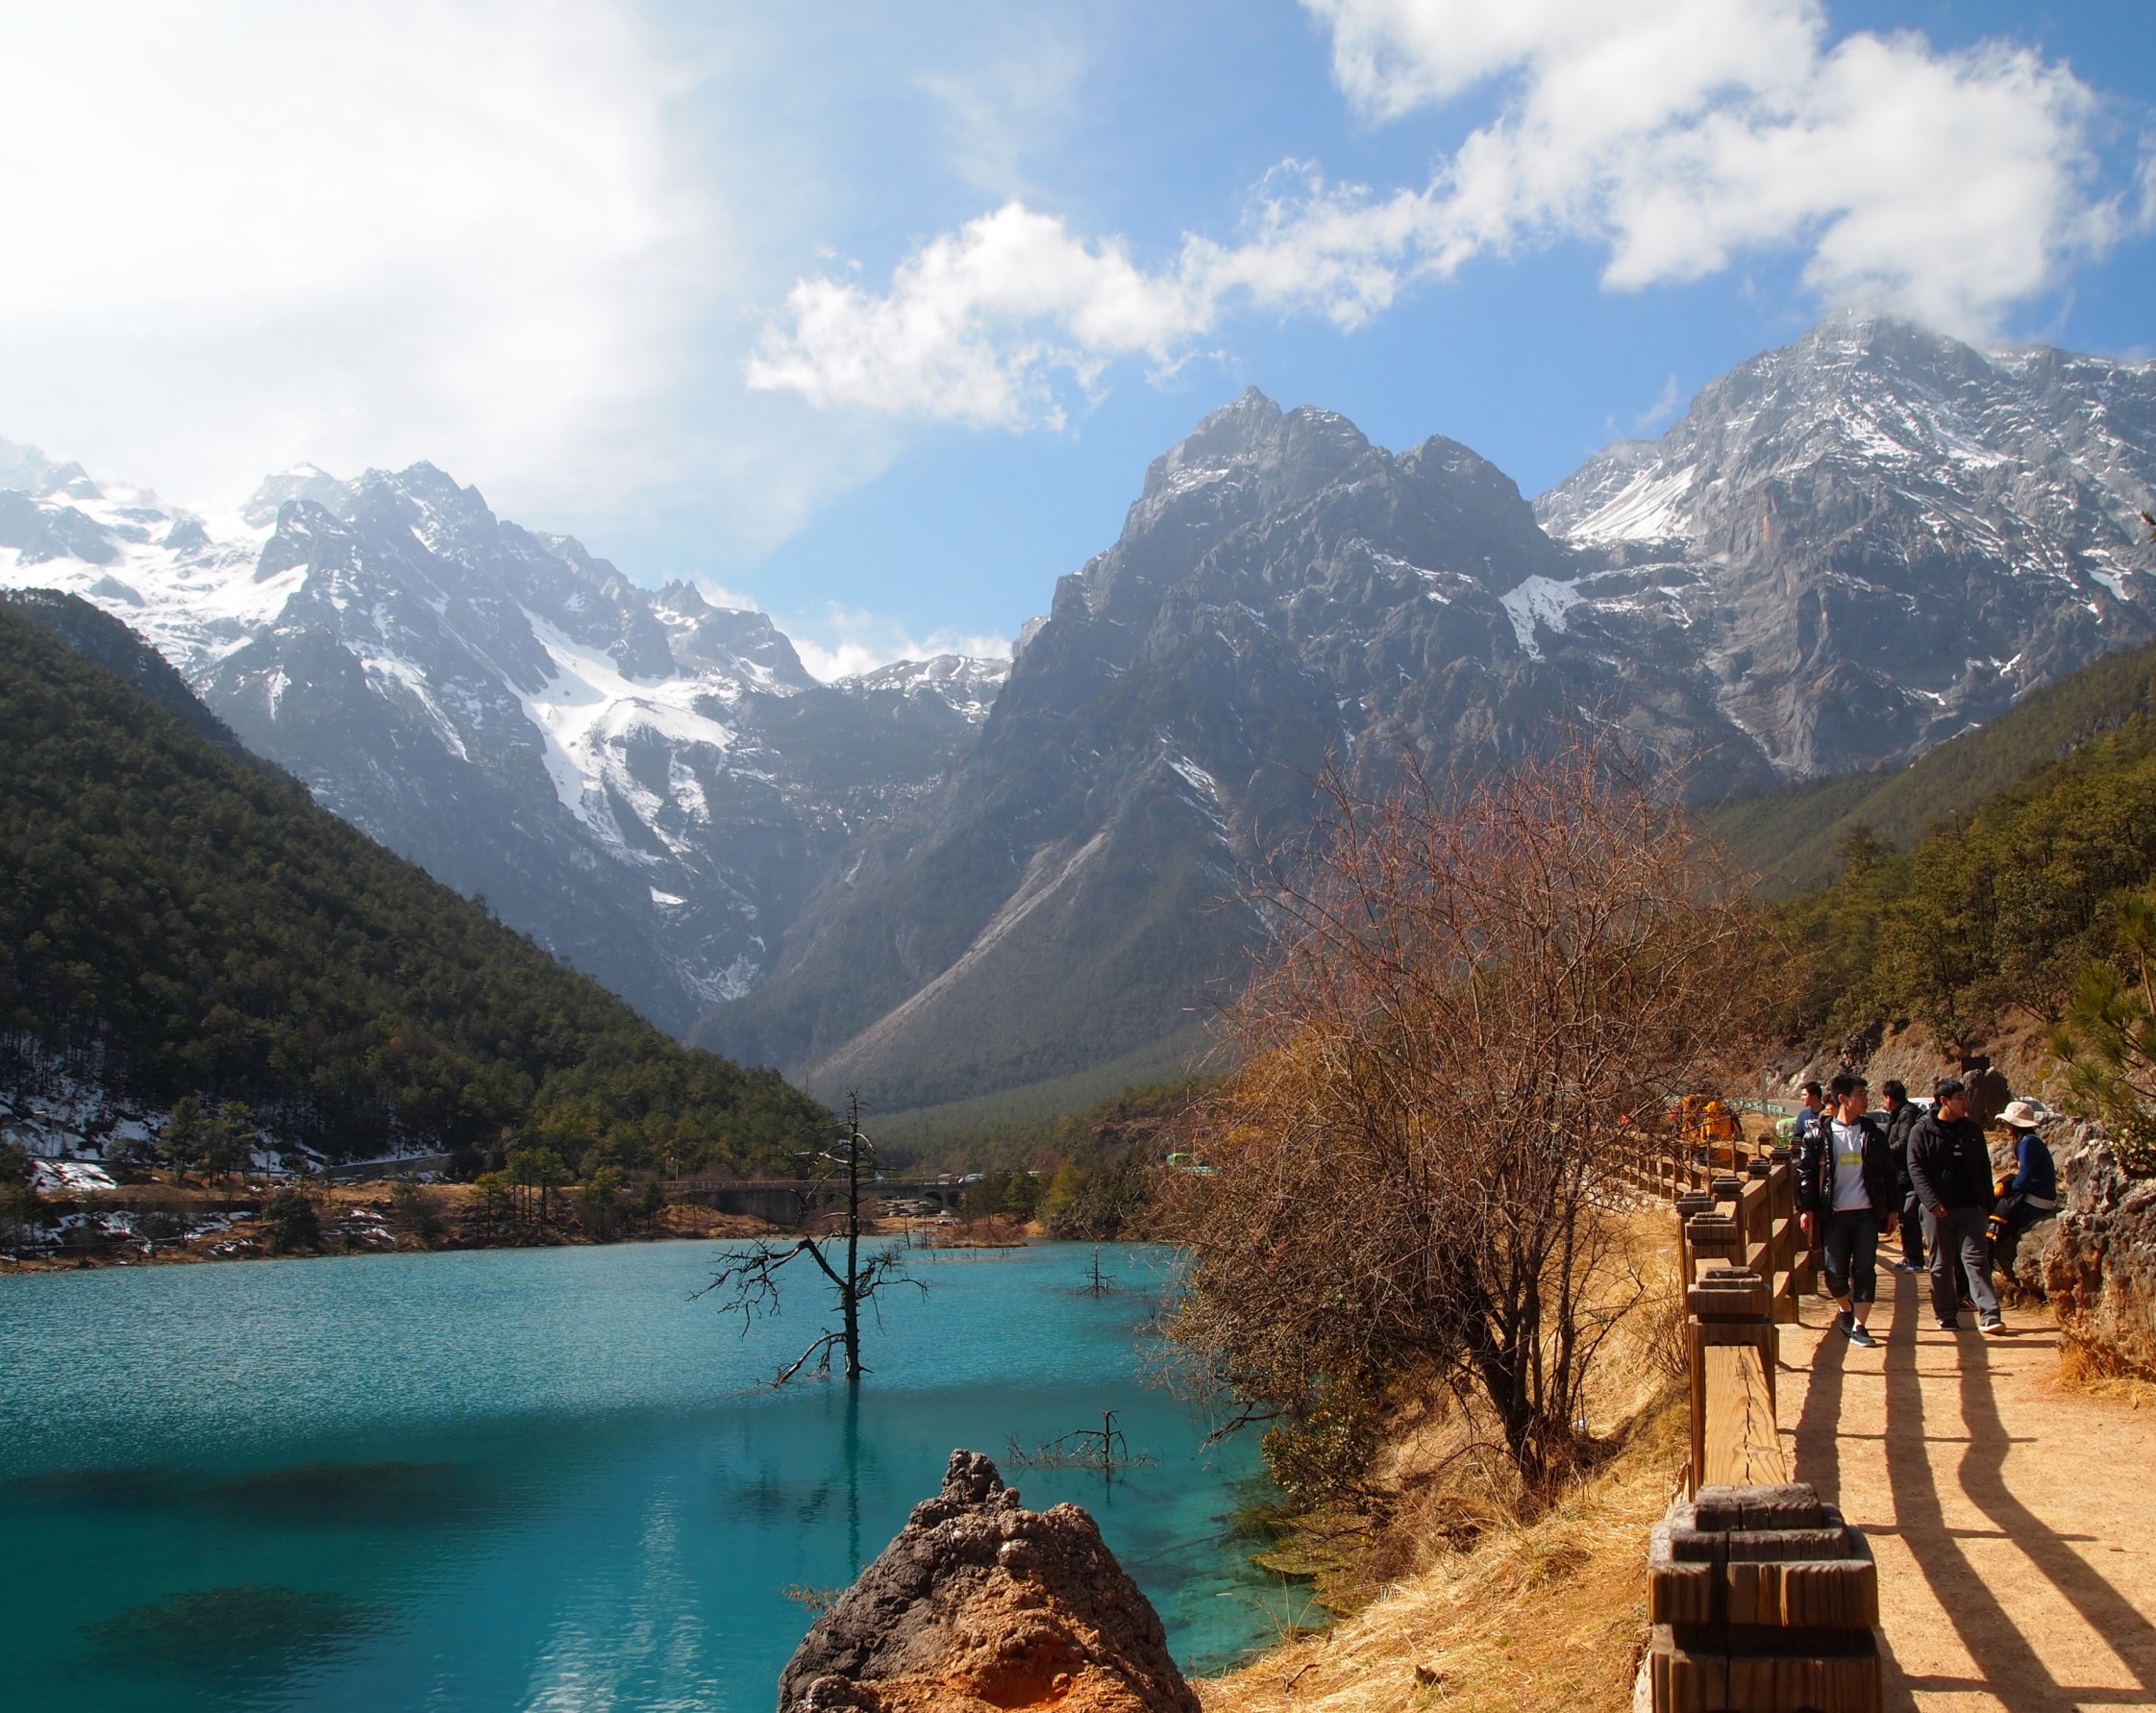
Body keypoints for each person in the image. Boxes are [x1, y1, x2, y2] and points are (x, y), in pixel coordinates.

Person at [1795, 1072, 1898, 1348]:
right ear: (1843, 1098)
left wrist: (1892, 1209)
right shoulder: (1818, 1135)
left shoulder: (1873, 1134)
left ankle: (1860, 1326)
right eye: (1860, 1095)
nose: (1866, 1100)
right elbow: (1805, 1173)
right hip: (1834, 1214)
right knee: (1834, 1273)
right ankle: (1845, 1308)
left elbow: (1889, 1173)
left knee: (1865, 1269)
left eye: (1866, 1095)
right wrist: (1806, 1208)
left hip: (1866, 1213)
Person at [1906, 1077, 2006, 1335]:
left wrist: (1987, 1204)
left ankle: (1990, 1314)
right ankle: (1946, 1314)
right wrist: (1932, 1201)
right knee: (1941, 1264)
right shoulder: (1922, 1131)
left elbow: (1984, 1168)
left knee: (1976, 1260)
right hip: (1937, 1209)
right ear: (1944, 1101)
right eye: (1960, 1098)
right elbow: (1916, 1170)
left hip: (1971, 1207)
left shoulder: (1972, 1130)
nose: (1965, 1103)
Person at [1988, 1099, 2059, 1290]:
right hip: (2042, 1197)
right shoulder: (2031, 1141)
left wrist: (2010, 1189)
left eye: (2006, 1123)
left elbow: (2024, 1177)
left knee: (2000, 1224)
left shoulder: (2027, 1143)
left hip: (2036, 1200)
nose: (2004, 1126)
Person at [1880, 1079, 1924, 1273]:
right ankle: (1909, 1256)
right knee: (1905, 1219)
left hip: (1908, 1175)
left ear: (1889, 1098)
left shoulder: (1907, 1114)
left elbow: (1904, 1143)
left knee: (1910, 1216)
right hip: (1899, 1175)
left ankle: (1915, 1260)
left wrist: (1882, 1154)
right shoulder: (1898, 1114)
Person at [1792, 1080, 1828, 1149]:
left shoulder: (1829, 1113)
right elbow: (1796, 1137)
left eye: (1805, 1095)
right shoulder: (1803, 1115)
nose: (1802, 1098)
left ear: (1814, 1096)